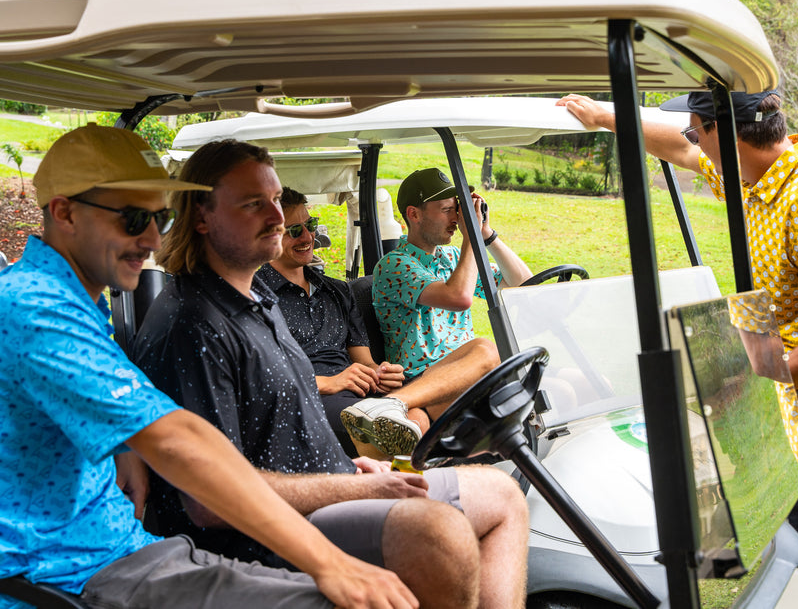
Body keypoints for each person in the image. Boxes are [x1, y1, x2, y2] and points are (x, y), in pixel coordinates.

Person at [0, 124, 417, 609]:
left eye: (158, 220)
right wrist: (328, 563)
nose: (152, 241)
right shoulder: (35, 308)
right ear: (63, 212)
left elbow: (101, 406)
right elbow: (180, 440)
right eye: (133, 219)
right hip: (51, 578)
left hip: (110, 550)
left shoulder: (73, 298)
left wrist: (126, 448)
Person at [132, 140, 530, 609]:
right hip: (269, 531)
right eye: (253, 204)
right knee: (438, 531)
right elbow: (210, 499)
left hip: (335, 482)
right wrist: (356, 485)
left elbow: (291, 418)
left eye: (277, 200)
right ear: (201, 217)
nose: (278, 219)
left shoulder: (254, 302)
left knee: (504, 498)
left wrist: (358, 468)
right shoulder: (195, 324)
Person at [558, 90, 798, 575]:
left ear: (725, 134)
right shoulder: (751, 177)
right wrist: (607, 116)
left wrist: (757, 385)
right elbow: (682, 150)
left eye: (697, 128)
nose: (693, 141)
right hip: (774, 421)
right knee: (752, 575)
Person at [255, 187, 419, 457]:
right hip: (311, 400)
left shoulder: (338, 290)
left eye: (310, 225)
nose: (309, 237)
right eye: (295, 231)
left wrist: (379, 373)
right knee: (391, 426)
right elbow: (264, 379)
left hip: (360, 395)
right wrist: (329, 382)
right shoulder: (256, 296)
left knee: (476, 356)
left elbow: (363, 360)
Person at [367, 170, 532, 427]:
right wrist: (471, 238)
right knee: (485, 349)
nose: (456, 218)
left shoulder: (452, 257)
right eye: (446, 210)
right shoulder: (394, 266)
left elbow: (522, 284)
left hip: (469, 374)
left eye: (458, 209)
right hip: (423, 382)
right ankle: (392, 405)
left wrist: (486, 236)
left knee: (565, 386)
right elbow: (459, 297)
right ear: (414, 214)